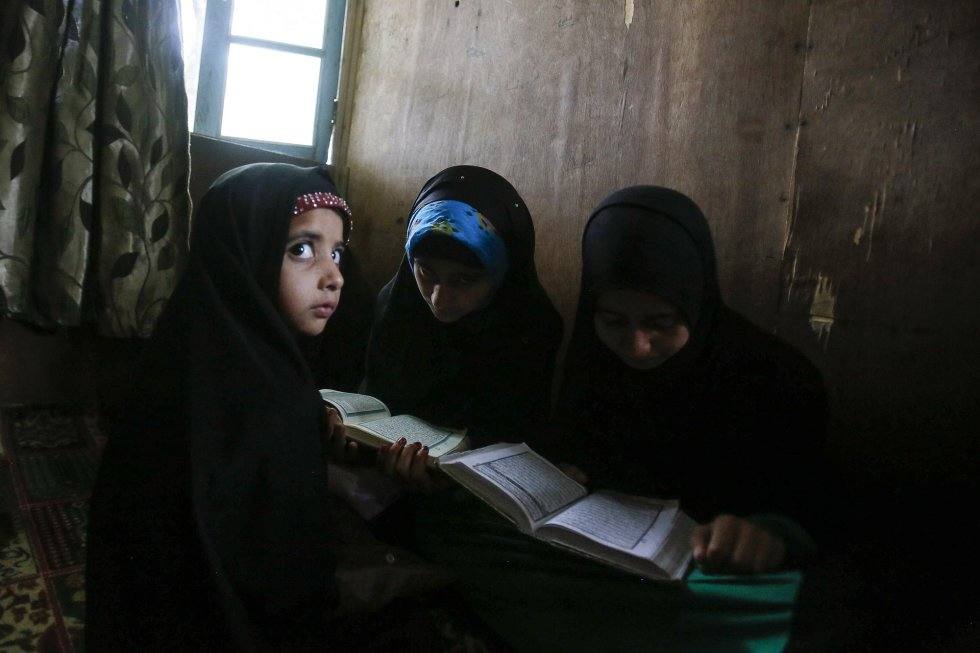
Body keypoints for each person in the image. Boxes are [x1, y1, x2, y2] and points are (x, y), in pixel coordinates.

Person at [415, 185, 829, 652]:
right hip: (603, 561)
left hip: (705, 574)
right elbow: (580, 451)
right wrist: (570, 475)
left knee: (771, 612)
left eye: (659, 323)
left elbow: (814, 512)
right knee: (454, 532)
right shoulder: (593, 360)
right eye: (614, 321)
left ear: (695, 300)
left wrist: (768, 533)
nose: (636, 347)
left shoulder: (777, 379)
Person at [85, 163, 354, 650]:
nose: (333, 275)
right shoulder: (274, 399)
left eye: (336, 253)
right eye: (302, 250)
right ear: (241, 255)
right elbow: (291, 577)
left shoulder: (179, 354)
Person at [364, 165, 562, 489]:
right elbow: (375, 405)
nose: (439, 299)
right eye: (426, 272)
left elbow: (519, 445)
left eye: (464, 279)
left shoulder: (530, 329)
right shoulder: (397, 307)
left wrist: (441, 482)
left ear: (501, 273)